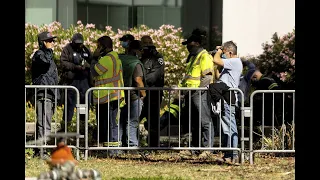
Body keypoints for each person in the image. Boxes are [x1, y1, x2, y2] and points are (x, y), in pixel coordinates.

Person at [179, 28, 215, 156]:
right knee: (195, 123)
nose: (188, 46)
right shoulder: (193, 57)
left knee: (205, 121)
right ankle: (195, 148)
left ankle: (207, 149)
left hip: (200, 93)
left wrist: (198, 90)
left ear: (197, 43)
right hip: (191, 93)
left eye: (190, 44)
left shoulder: (204, 56)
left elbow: (207, 77)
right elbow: (188, 77)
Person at [90, 36, 125, 153]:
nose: (97, 49)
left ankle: (111, 150)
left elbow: (95, 71)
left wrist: (94, 58)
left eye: (98, 46)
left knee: (109, 123)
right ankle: (110, 148)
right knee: (109, 123)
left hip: (108, 95)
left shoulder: (106, 59)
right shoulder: (114, 57)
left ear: (103, 47)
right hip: (111, 94)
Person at [212, 41, 243, 164]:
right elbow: (219, 76)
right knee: (226, 128)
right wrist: (217, 65)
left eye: (224, 53)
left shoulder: (235, 61)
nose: (222, 55)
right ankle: (228, 154)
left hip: (228, 97)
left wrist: (219, 51)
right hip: (225, 96)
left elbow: (216, 60)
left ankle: (233, 154)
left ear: (230, 52)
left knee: (230, 127)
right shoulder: (230, 64)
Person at [31, 31, 60, 156]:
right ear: (43, 43)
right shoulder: (39, 54)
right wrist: (47, 50)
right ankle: (42, 151)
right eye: (50, 41)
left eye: (53, 41)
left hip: (50, 94)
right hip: (43, 94)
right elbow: (45, 62)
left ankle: (40, 150)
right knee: (44, 124)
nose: (52, 43)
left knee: (45, 123)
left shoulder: (49, 55)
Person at [59, 33, 92, 131]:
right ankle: (65, 128)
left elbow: (92, 61)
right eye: (76, 43)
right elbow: (63, 63)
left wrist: (88, 65)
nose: (79, 45)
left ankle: (83, 129)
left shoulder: (86, 50)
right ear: (72, 42)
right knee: (69, 105)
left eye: (80, 43)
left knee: (84, 105)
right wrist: (75, 67)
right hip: (72, 82)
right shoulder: (67, 49)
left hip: (84, 82)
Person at [118, 40, 146, 148]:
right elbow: (138, 80)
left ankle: (118, 144)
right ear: (136, 50)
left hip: (121, 95)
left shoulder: (120, 59)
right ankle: (132, 146)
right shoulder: (136, 62)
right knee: (132, 122)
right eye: (141, 50)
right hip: (134, 97)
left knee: (121, 122)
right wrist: (143, 94)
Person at [139, 35, 165, 147]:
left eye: (147, 43)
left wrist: (139, 80)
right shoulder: (140, 57)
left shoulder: (157, 58)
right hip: (140, 94)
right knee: (134, 119)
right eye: (143, 43)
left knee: (153, 122)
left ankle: (153, 146)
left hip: (153, 94)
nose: (146, 46)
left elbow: (154, 76)